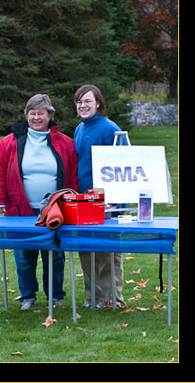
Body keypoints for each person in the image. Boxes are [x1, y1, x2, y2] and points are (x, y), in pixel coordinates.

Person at [0, 94, 79, 310]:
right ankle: (27, 296)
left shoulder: (66, 143)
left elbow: (74, 177)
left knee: (55, 256)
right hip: (20, 209)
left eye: (41, 113)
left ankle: (55, 297)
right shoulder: (9, 142)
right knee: (23, 256)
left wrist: (73, 200)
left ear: (50, 116)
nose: (36, 117)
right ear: (26, 116)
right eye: (32, 113)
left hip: (56, 211)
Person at [73, 84, 127, 309]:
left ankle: (112, 299)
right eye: (79, 102)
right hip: (85, 200)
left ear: (98, 103)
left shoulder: (110, 129)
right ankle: (92, 297)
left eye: (87, 101)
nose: (83, 105)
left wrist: (116, 202)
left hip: (108, 201)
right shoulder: (79, 129)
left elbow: (125, 166)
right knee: (86, 250)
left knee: (107, 252)